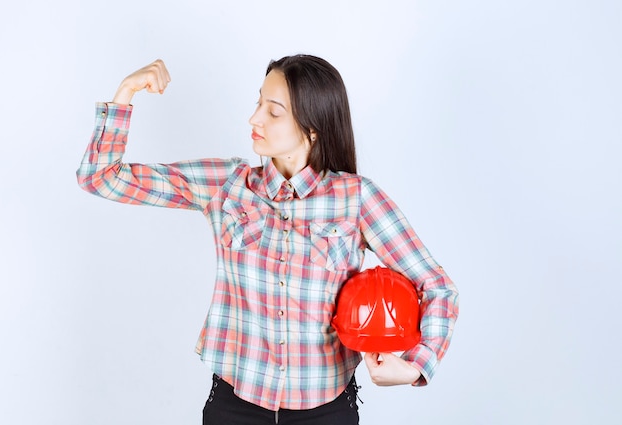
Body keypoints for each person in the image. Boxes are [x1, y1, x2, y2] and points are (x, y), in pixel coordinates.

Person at [77, 55, 459, 425]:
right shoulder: (227, 185)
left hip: (326, 410)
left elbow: (437, 286)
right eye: (258, 102)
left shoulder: (356, 199)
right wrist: (126, 92)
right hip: (234, 406)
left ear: (313, 128)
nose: (254, 118)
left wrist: (415, 366)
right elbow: (101, 178)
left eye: (273, 111)